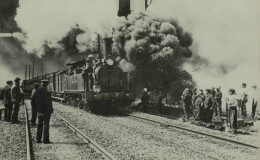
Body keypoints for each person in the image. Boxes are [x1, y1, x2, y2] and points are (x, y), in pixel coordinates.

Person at [35, 79, 53, 144]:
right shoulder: (46, 91)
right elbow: (49, 102)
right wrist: (50, 110)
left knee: (39, 124)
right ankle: (45, 140)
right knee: (46, 125)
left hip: (40, 111)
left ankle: (38, 139)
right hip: (46, 111)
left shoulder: (37, 90)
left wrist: (38, 111)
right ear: (46, 84)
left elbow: (36, 102)